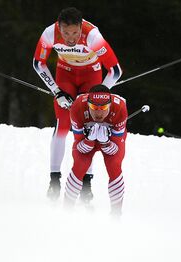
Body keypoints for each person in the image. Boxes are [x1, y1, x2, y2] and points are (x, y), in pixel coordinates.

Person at [33, 7, 123, 201]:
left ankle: (86, 183)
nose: (71, 38)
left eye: (75, 33)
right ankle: (54, 180)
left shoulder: (92, 36)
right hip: (65, 73)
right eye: (66, 33)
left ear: (81, 27)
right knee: (63, 125)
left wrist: (97, 95)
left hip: (91, 76)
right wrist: (57, 91)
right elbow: (38, 64)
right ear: (59, 27)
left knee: (88, 127)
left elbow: (115, 71)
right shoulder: (49, 34)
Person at [63, 85, 127, 215]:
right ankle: (66, 211)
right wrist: (89, 140)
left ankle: (116, 215)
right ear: (88, 104)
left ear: (109, 105)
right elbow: (81, 147)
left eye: (103, 108)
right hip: (87, 142)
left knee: (114, 166)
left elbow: (114, 150)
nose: (98, 112)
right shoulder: (77, 107)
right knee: (79, 165)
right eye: (94, 108)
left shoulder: (120, 108)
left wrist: (105, 142)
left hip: (111, 142)